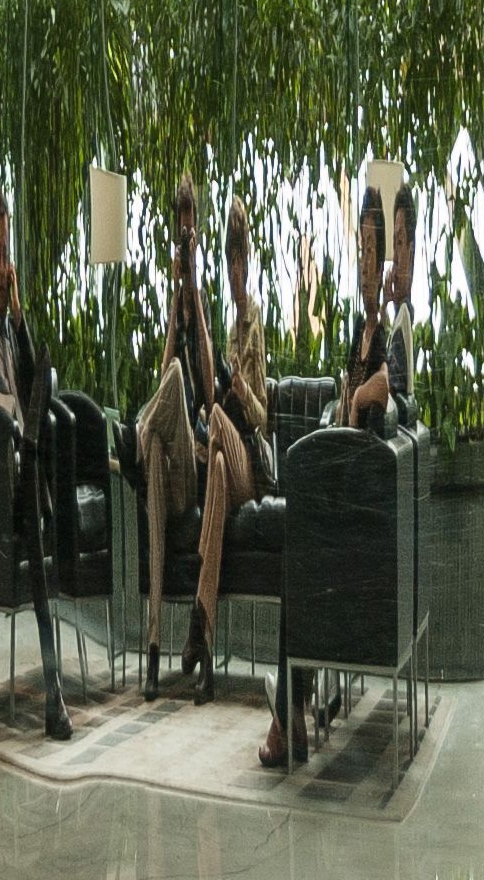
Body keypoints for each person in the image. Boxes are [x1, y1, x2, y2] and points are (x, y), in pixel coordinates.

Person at [259, 186, 390, 767]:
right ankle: (292, 710)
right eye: (360, 251)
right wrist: (347, 404)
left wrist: (359, 400)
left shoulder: (388, 335)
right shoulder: (361, 332)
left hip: (363, 517)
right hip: (341, 497)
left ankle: (289, 714)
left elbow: (392, 400)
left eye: (373, 252)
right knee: (297, 549)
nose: (365, 265)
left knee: (298, 556)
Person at [0, 190, 71, 741]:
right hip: (6, 476)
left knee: (44, 370)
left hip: (28, 466)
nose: (4, 266)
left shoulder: (14, 330)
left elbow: (33, 378)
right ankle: (54, 694)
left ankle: (57, 692)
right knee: (29, 457)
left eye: (9, 254)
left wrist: (20, 315)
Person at [113, 173, 217, 701]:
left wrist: (194, 292)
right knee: (154, 449)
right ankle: (154, 650)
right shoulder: (174, 306)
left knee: (176, 380)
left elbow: (211, 389)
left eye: (190, 235)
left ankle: (132, 437)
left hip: (195, 469)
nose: (185, 244)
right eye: (180, 237)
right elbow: (162, 378)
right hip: (170, 467)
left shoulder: (205, 302)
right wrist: (174, 305)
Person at [179, 196, 268, 705]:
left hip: (248, 465)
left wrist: (241, 391)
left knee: (214, 420)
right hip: (224, 465)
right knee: (212, 464)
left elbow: (261, 417)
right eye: (229, 262)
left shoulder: (255, 323)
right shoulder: (226, 329)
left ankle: (198, 625)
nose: (235, 273)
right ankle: (203, 639)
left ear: (248, 264)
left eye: (240, 262)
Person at [385, 183, 416, 418]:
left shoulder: (404, 318)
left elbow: (388, 391)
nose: (394, 258)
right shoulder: (399, 316)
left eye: (399, 243)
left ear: (410, 253)